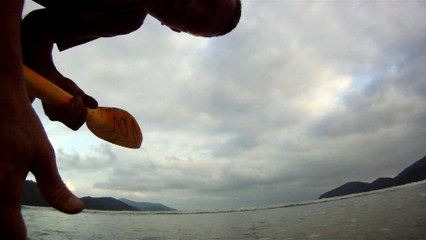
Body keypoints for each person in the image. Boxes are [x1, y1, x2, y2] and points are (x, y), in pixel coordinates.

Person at [0, 0, 241, 239]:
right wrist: (9, 91)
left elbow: (40, 26)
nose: (191, 8)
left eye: (192, 22)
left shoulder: (125, 18)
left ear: (173, 27)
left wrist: (48, 74)